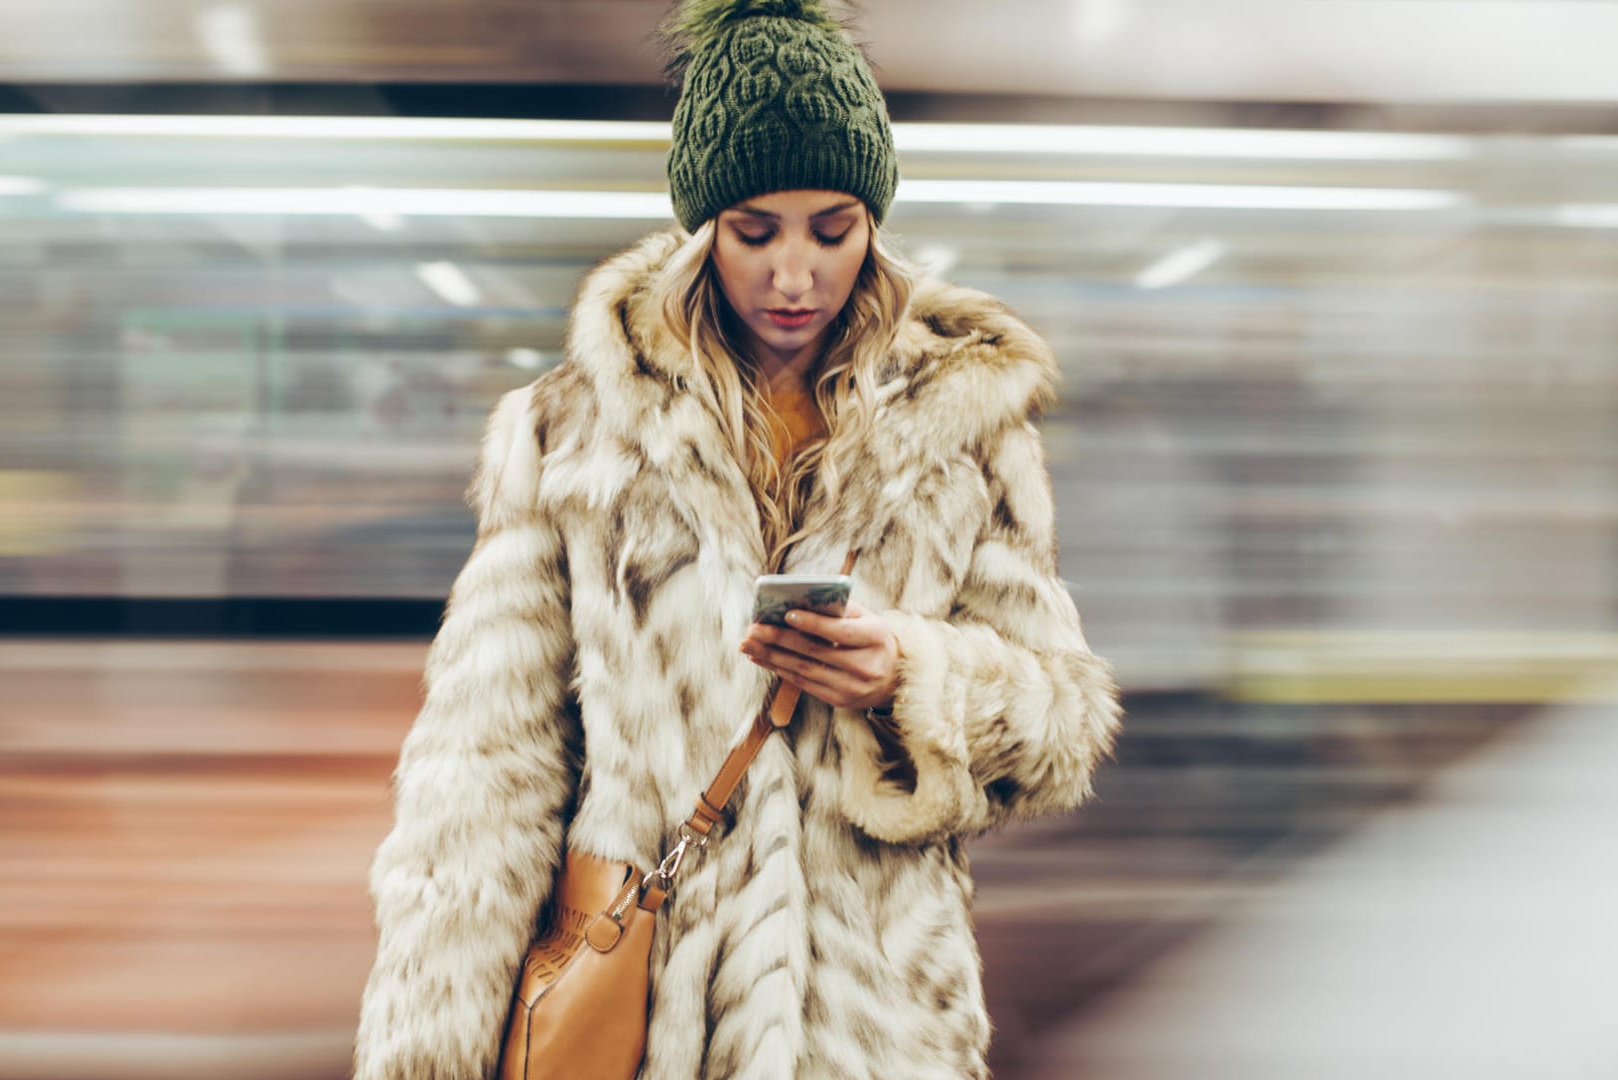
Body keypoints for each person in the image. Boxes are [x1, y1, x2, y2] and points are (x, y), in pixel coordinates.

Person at [351, 1, 1123, 1077]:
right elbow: (482, 777)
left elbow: (1065, 721)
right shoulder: (578, 435)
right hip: (647, 1012)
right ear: (698, 230)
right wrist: (421, 1055)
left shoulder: (963, 435)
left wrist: (915, 674)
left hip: (874, 1026)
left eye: (834, 228)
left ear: (876, 225)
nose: (795, 276)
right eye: (754, 233)